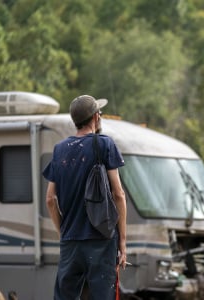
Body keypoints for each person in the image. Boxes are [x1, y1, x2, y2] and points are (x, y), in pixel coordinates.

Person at [43, 95, 127, 299]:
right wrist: (122, 242)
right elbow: (118, 194)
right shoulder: (105, 144)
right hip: (101, 240)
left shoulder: (59, 149)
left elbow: (50, 199)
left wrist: (62, 232)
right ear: (96, 117)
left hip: (70, 240)